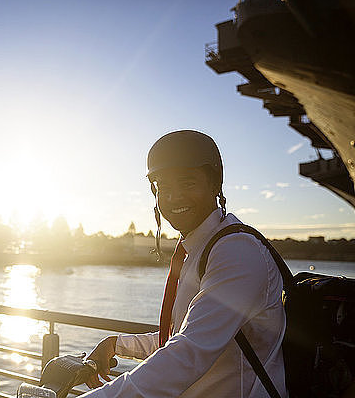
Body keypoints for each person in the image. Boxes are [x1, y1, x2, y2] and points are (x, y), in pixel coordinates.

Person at [80, 130, 287, 397]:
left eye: (187, 183)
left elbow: (191, 350)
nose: (173, 197)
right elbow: (182, 335)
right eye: (163, 186)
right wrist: (117, 344)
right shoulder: (201, 249)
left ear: (215, 187)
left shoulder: (236, 250)